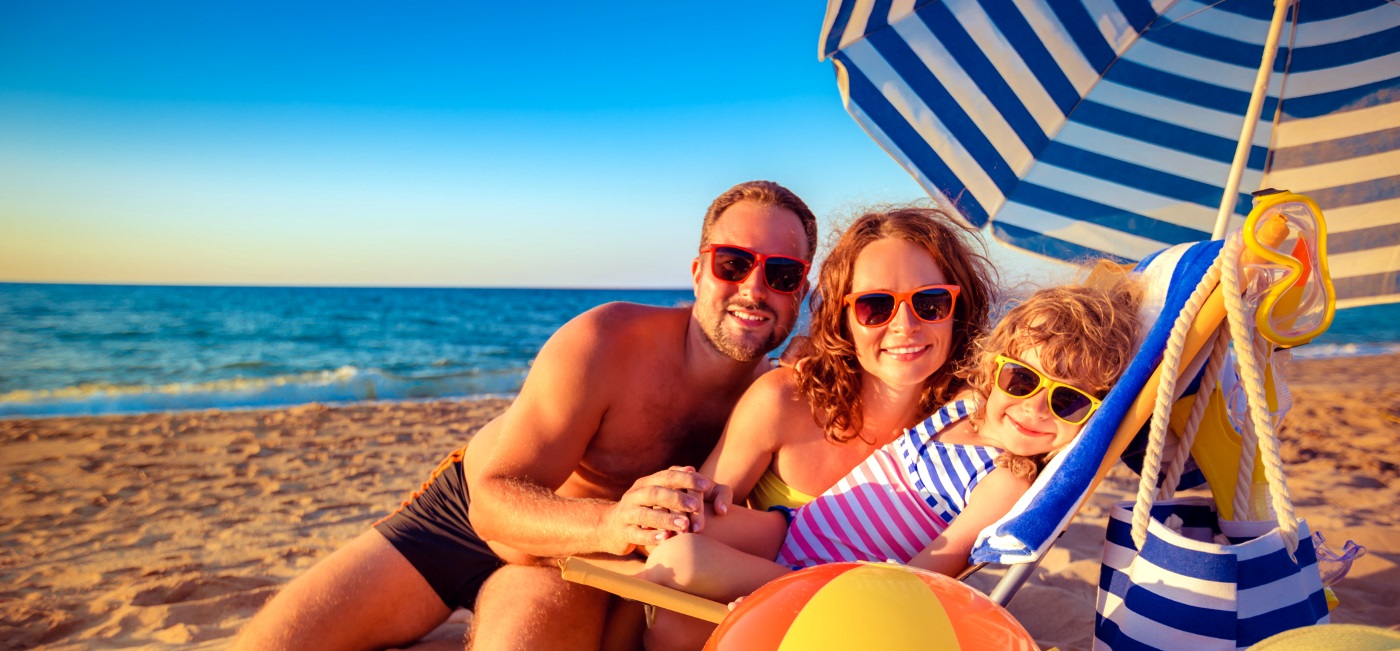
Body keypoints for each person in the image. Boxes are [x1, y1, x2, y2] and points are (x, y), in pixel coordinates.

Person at [231, 180, 818, 651]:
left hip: (573, 562)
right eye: (733, 264)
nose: (754, 288)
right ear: (697, 271)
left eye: (782, 274)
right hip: (470, 512)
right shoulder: (606, 340)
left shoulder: (781, 393)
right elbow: (490, 500)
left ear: (802, 294)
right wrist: (613, 522)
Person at [639, 274, 1144, 649]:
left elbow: (925, 576)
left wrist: (807, 604)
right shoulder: (963, 403)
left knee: (678, 560)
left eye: (1069, 402)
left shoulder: (1006, 479)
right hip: (789, 529)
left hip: (833, 578)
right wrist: (813, 346)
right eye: (1022, 380)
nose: (1034, 408)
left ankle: (751, 600)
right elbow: (897, 354)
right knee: (673, 526)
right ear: (994, 368)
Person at [643, 206, 997, 649]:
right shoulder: (785, 400)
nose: (905, 326)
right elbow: (697, 519)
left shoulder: (973, 430)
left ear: (958, 307)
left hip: (878, 625)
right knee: (675, 604)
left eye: (929, 303)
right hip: (774, 597)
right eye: (875, 306)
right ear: (843, 317)